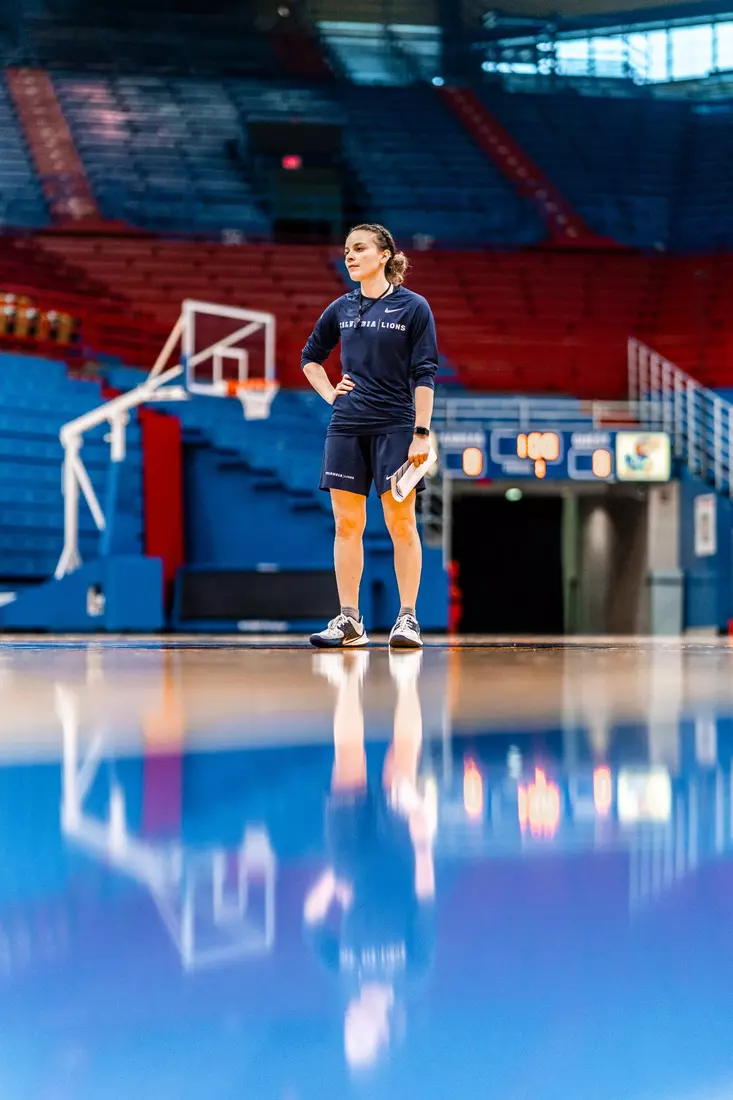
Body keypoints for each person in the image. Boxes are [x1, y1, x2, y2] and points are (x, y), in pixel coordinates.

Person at [301, 223, 439, 649]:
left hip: (396, 426)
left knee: (401, 523)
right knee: (347, 525)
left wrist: (421, 433)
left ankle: (407, 619)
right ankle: (350, 621)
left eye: (359, 248)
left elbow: (425, 374)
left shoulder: (414, 307)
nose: (350, 255)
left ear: (384, 256)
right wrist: (330, 393)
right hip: (346, 427)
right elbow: (310, 358)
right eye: (347, 249)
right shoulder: (340, 308)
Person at [304, 649, 436, 1072]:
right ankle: (407, 681)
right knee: (400, 769)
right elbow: (425, 900)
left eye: (348, 1033)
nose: (350, 1025)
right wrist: (422, 843)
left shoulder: (340, 973)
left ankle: (348, 679)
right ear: (383, 1034)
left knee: (349, 758)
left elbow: (312, 920)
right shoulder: (414, 970)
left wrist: (332, 879)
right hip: (397, 855)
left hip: (350, 857)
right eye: (359, 1035)